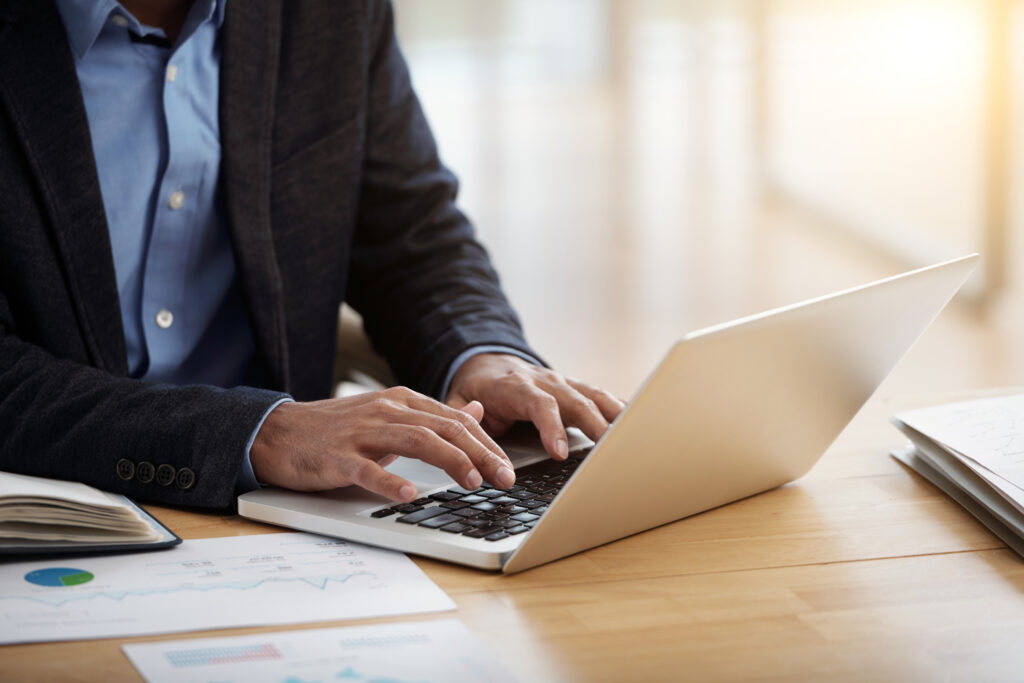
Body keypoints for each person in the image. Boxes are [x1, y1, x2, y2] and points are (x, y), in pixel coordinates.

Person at [0, 0, 624, 509]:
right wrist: (253, 431)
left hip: (297, 521)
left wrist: (481, 355)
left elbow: (411, 232)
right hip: (59, 514)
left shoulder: (331, 14)